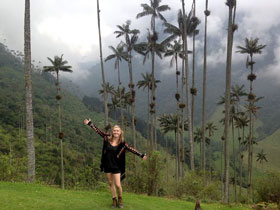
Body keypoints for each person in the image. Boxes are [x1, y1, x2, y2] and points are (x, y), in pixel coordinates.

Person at [84, 119, 147, 208]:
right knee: (110, 183)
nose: (116, 132)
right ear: (112, 132)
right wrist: (90, 124)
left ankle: (120, 198)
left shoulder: (123, 144)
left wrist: (141, 155)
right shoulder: (107, 138)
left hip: (117, 166)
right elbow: (99, 132)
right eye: (114, 130)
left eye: (117, 131)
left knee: (117, 184)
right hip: (107, 164)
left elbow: (132, 149)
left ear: (121, 132)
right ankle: (114, 199)